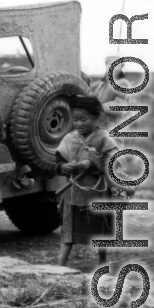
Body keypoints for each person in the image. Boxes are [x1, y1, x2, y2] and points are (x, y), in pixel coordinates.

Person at [55, 95, 126, 267]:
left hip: (96, 192)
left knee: (99, 228)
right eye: (76, 119)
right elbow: (58, 160)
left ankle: (102, 260)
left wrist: (92, 163)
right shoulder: (69, 138)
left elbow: (113, 162)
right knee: (68, 231)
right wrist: (64, 167)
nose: (79, 124)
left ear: (96, 118)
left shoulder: (103, 138)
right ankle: (60, 263)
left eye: (84, 119)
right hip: (73, 193)